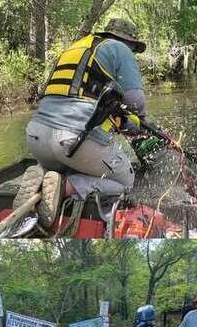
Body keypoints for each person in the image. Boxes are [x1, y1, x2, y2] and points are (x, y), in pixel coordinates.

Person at [23, 18, 150, 228]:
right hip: (73, 142)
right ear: (129, 42)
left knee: (73, 162)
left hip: (36, 138)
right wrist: (140, 123)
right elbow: (136, 102)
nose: (133, 53)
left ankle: (42, 175)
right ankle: (64, 188)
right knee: (125, 181)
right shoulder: (120, 49)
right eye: (134, 49)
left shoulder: (74, 49)